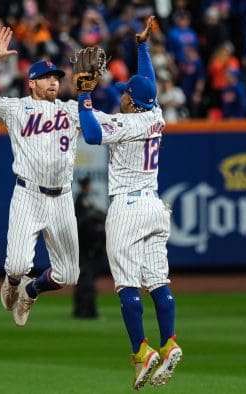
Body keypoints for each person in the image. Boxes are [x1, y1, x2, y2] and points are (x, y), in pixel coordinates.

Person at [75, 16, 182, 390]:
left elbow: (90, 132)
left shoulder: (128, 123)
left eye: (124, 92)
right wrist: (141, 48)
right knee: (158, 280)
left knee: (126, 285)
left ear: (131, 102)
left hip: (129, 208)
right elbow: (148, 83)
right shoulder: (156, 114)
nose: (120, 94)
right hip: (155, 207)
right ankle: (169, 342)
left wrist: (83, 96)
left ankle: (141, 350)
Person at [0, 26, 81, 327]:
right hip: (29, 194)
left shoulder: (72, 110)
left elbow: (103, 128)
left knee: (69, 274)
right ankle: (13, 281)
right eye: (47, 77)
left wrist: (89, 95)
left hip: (62, 198)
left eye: (56, 77)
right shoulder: (17, 109)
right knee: (17, 264)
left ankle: (31, 290)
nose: (54, 81)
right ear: (32, 83)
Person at [73, 176, 106, 319]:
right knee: (86, 282)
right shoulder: (81, 199)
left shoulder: (84, 199)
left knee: (84, 281)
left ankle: (80, 311)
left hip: (84, 247)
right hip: (83, 247)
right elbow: (84, 220)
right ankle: (87, 312)